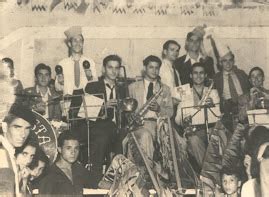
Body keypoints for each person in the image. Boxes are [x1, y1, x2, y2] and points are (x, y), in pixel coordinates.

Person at [84, 54, 128, 188]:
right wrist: (103, 107)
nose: (114, 71)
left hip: (117, 128)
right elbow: (86, 114)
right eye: (110, 67)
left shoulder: (122, 88)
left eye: (117, 68)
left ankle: (118, 182)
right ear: (104, 69)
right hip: (98, 128)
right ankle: (97, 181)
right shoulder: (92, 86)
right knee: (105, 138)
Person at [124, 55, 173, 167]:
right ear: (145, 68)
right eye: (151, 67)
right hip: (139, 125)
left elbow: (170, 112)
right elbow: (127, 111)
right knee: (146, 136)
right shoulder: (132, 87)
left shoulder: (165, 89)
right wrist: (130, 116)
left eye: (157, 68)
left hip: (159, 125)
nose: (154, 70)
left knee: (180, 142)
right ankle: (147, 174)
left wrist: (159, 109)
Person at [175, 62, 220, 173]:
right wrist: (184, 119)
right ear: (191, 75)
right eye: (195, 73)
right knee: (194, 141)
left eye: (201, 73)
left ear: (205, 75)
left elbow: (218, 115)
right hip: (194, 130)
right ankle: (209, 173)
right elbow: (177, 119)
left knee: (219, 137)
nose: (198, 76)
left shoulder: (213, 92)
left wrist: (212, 105)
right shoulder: (184, 92)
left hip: (211, 128)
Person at [39, 131, 91, 196]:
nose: (73, 152)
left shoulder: (79, 169)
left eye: (76, 148)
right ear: (59, 149)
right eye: (68, 148)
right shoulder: (49, 174)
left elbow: (97, 181)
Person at [0, 104, 36, 196]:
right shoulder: (2, 154)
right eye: (17, 127)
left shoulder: (9, 152)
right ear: (4, 127)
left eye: (27, 128)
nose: (23, 134)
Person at [213, 45, 250, 126]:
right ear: (220, 62)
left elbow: (250, 90)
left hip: (244, 109)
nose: (228, 63)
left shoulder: (241, 74)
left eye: (230, 60)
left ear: (233, 61)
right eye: (225, 61)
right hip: (227, 112)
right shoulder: (216, 78)